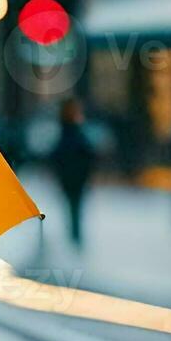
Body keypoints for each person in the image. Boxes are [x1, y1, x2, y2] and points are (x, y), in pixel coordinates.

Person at [49, 97, 96, 246]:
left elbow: (59, 154)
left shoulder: (69, 132)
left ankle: (74, 236)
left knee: (73, 208)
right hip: (74, 177)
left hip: (72, 177)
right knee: (74, 208)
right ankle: (75, 236)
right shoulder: (75, 132)